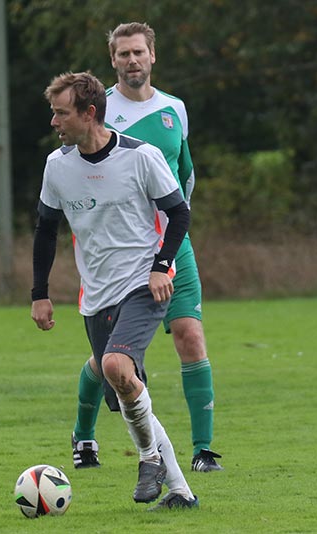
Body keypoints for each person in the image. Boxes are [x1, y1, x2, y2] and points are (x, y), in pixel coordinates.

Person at [32, 71, 198, 510]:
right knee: (129, 389)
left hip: (144, 284)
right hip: (96, 295)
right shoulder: (57, 166)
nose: (54, 122)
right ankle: (181, 492)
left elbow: (179, 213)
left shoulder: (140, 157)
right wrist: (39, 292)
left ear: (89, 113)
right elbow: (45, 229)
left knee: (114, 365)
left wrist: (162, 266)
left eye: (61, 113)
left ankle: (149, 460)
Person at [71, 22, 223, 473]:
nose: (132, 60)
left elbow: (185, 173)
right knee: (108, 358)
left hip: (173, 246)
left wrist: (174, 227)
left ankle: (203, 451)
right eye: (123, 54)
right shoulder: (99, 111)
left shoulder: (175, 108)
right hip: (120, 252)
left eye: (139, 52)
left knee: (190, 335)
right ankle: (83, 435)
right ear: (113, 60)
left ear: (152, 55)